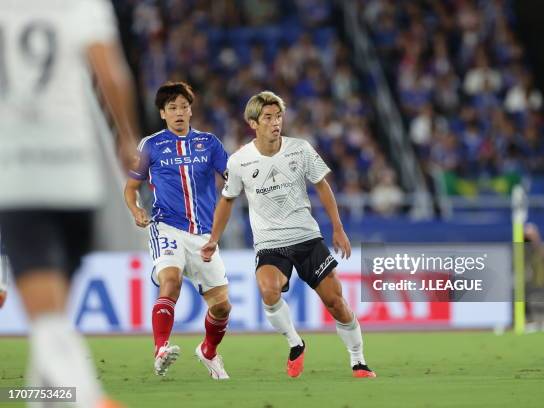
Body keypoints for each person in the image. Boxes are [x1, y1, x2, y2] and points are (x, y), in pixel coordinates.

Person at [0, 0, 140, 406]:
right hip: (79, 173)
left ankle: (88, 399)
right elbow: (111, 72)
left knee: (47, 317)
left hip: (19, 170)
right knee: (55, 311)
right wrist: (126, 136)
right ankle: (46, 398)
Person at [201, 91, 376, 379]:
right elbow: (227, 200)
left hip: (307, 238)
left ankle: (358, 361)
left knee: (336, 303)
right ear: (253, 123)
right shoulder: (239, 161)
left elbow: (322, 186)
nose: (275, 122)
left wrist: (338, 227)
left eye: (278, 116)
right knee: (268, 292)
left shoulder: (300, 149)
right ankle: (295, 343)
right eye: (268, 117)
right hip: (271, 244)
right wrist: (213, 239)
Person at [124, 81, 232, 379]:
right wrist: (136, 210)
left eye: (184, 106)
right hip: (166, 226)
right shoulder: (151, 145)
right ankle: (161, 349)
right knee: (170, 281)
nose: (179, 112)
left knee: (222, 308)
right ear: (162, 113)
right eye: (172, 108)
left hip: (205, 235)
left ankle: (209, 351)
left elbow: (232, 176)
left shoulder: (209, 143)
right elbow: (131, 188)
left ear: (191, 110)